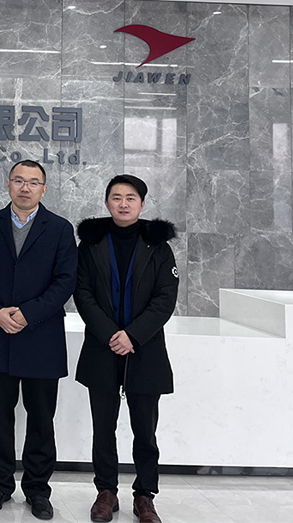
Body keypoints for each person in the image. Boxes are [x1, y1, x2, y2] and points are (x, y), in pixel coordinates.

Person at [0, 160, 77, 520]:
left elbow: (66, 281)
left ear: (44, 189)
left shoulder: (60, 228)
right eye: (19, 180)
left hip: (41, 337)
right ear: (8, 185)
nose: (25, 187)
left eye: (33, 182)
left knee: (41, 420)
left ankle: (37, 489)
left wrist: (29, 313)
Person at [74, 175, 178, 523]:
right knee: (103, 428)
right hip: (101, 347)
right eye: (116, 197)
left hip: (145, 349)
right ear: (107, 203)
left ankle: (145, 496)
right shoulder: (91, 244)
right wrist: (110, 334)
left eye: (130, 198)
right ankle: (106, 492)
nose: (123, 203)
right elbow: (82, 293)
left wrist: (132, 335)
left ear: (142, 204)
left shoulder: (158, 246)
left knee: (145, 431)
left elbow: (165, 299)